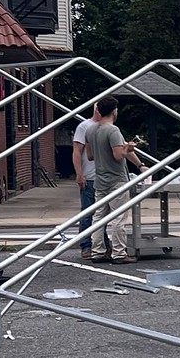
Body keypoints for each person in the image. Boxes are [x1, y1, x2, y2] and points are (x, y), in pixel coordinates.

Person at [74, 95, 144, 264]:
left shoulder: (91, 130)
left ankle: (97, 251)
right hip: (116, 179)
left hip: (99, 179)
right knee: (119, 217)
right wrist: (129, 147)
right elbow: (119, 156)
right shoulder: (113, 130)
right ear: (114, 111)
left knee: (99, 217)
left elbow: (89, 156)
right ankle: (119, 253)